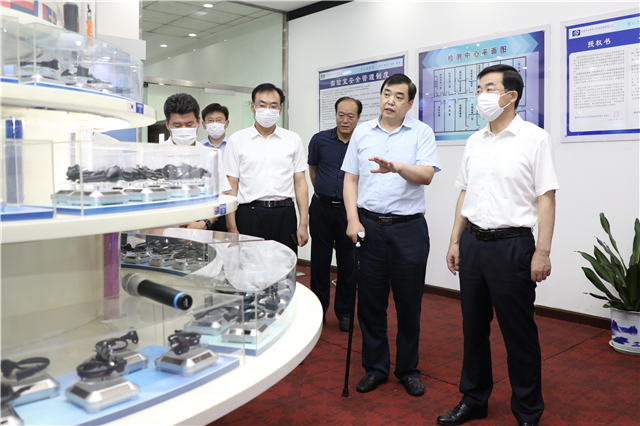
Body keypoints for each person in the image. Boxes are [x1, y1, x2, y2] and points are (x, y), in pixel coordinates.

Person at [437, 64, 559, 426]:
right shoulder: (475, 141)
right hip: (473, 243)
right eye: (479, 89)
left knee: (518, 332)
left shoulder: (535, 138)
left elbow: (547, 197)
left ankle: (528, 410)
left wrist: (543, 251)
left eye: (489, 89)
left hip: (513, 245)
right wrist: (454, 240)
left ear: (511, 95)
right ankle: (474, 398)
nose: (481, 96)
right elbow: (465, 192)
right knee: (473, 329)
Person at [341, 74, 441, 397]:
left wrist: (396, 167)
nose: (390, 101)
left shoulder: (421, 132)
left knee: (409, 304)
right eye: (386, 94)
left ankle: (408, 369)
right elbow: (350, 179)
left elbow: (426, 175)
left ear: (409, 104)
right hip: (369, 227)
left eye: (399, 97)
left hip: (408, 229)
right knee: (370, 303)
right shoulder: (362, 132)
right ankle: (375, 368)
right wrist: (352, 219)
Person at [223, 83, 309, 254]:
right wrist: (232, 227)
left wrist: (304, 224)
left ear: (280, 109)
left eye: (273, 106)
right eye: (262, 105)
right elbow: (231, 186)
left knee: (284, 264)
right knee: (249, 265)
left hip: (284, 214)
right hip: (249, 214)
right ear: (253, 107)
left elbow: (300, 183)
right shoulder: (237, 140)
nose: (267, 110)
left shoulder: (293, 139)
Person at [308, 96, 362, 332]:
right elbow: (313, 169)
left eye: (350, 116)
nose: (345, 120)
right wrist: (325, 191)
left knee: (348, 265)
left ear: (358, 118)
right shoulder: (319, 140)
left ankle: (345, 313)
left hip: (349, 212)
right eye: (341, 115)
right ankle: (318, 312)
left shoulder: (362, 142)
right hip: (321, 209)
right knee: (319, 264)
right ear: (336, 115)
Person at [160, 93, 230, 223]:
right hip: (166, 225)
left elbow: (221, 195)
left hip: (202, 225)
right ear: (167, 124)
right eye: (177, 125)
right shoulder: (155, 155)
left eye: (189, 124)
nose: (184, 129)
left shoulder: (211, 155)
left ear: (198, 122)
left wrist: (205, 222)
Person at [188, 103, 231, 232]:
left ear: (226, 123)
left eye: (219, 120)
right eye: (210, 121)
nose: (215, 124)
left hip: (229, 206)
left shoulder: (234, 145)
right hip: (204, 208)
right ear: (203, 124)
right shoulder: (199, 148)